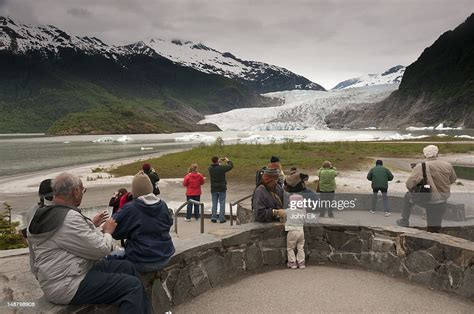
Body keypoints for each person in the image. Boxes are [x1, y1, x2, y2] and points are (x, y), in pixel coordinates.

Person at [27, 172, 150, 313]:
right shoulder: (68, 218)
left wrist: (92, 225)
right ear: (76, 191)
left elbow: (73, 238)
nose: (82, 193)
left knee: (127, 267)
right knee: (131, 286)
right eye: (83, 190)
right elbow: (101, 249)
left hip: (69, 275)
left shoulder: (49, 212)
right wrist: (107, 232)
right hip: (67, 284)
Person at [112, 171, 175, 272]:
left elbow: (115, 232)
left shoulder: (131, 208)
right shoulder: (162, 204)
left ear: (134, 191)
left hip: (141, 260)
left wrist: (123, 206)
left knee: (110, 258)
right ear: (150, 188)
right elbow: (169, 222)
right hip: (165, 256)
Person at [397, 145, 457, 232]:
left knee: (407, 196)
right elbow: (453, 179)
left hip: (428, 200)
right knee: (435, 228)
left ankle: (404, 220)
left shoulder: (420, 166)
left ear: (425, 155)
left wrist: (420, 186)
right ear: (437, 154)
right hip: (443, 201)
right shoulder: (448, 165)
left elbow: (409, 184)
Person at [208, 156, 233, 223]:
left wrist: (218, 162)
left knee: (214, 203)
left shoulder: (210, 168)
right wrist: (228, 160)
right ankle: (221, 218)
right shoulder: (221, 168)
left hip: (214, 188)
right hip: (221, 188)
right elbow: (230, 166)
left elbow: (216, 166)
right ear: (217, 161)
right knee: (222, 202)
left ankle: (214, 217)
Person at [285, 194, 307, 269]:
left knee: (290, 248)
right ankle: (301, 263)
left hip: (292, 231)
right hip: (301, 231)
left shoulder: (289, 210)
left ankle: (292, 262)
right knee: (300, 247)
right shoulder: (303, 210)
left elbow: (281, 215)